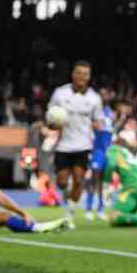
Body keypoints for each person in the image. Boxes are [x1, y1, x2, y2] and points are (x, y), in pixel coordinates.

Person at [48, 61, 104, 224]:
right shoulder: (60, 93)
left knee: (79, 180)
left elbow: (99, 121)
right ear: (73, 74)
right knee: (62, 182)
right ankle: (68, 194)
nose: (81, 76)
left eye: (85, 74)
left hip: (83, 145)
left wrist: (99, 131)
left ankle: (69, 215)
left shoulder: (94, 98)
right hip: (63, 145)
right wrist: (53, 123)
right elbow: (50, 117)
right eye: (79, 73)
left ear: (89, 76)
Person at [86, 88, 117, 221]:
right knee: (93, 179)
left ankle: (100, 209)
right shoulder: (95, 111)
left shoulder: (111, 113)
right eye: (102, 94)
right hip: (97, 149)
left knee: (103, 181)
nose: (105, 96)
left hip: (107, 150)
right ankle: (88, 209)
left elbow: (111, 131)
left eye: (107, 94)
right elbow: (90, 127)